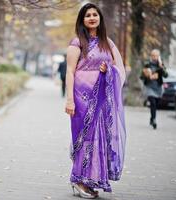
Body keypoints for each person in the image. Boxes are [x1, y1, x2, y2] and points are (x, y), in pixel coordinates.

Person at [65, 3, 126, 198]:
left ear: (100, 18)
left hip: (101, 98)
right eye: (87, 15)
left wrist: (108, 70)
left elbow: (118, 69)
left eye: (95, 14)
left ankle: (88, 180)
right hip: (81, 97)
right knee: (85, 138)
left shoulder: (107, 42)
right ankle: (79, 180)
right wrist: (69, 100)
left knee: (98, 138)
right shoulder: (77, 42)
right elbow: (70, 71)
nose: (92, 17)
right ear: (82, 20)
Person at [142, 49, 168, 129]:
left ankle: (151, 117)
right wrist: (147, 75)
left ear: (159, 56)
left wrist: (161, 66)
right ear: (151, 56)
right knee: (153, 102)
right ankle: (154, 120)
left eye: (156, 56)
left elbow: (166, 75)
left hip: (158, 88)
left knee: (156, 104)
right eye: (153, 55)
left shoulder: (161, 65)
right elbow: (141, 76)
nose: (154, 57)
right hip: (149, 87)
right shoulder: (147, 64)